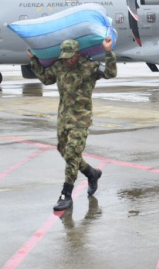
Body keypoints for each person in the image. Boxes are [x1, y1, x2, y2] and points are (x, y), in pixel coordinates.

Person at [27, 37, 117, 211]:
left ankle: (65, 195)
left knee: (72, 152)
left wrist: (108, 51)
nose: (68, 60)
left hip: (81, 119)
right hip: (63, 118)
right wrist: (33, 60)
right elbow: (46, 78)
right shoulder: (59, 66)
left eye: (71, 57)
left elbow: (110, 73)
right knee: (64, 151)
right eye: (65, 57)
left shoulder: (90, 67)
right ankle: (92, 173)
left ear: (78, 53)